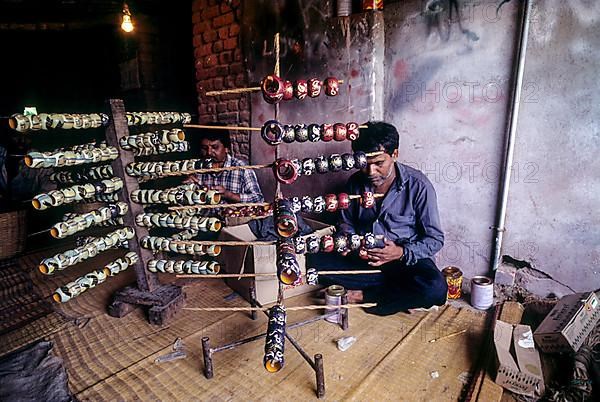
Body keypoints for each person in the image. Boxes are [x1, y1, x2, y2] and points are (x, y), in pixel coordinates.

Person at [308, 121, 447, 316]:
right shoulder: (355, 183)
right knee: (313, 262)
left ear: (395, 155)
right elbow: (346, 222)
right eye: (364, 164)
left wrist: (399, 252)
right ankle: (399, 293)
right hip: (364, 259)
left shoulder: (419, 186)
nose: (370, 172)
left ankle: (361, 295)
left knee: (436, 289)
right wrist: (350, 241)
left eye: (379, 163)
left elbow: (435, 239)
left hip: (404, 261)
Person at [186, 124, 264, 204]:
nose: (209, 152)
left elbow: (258, 199)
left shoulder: (242, 169)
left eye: (215, 147)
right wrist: (188, 188)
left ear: (227, 148)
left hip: (231, 216)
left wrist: (230, 195)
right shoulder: (197, 168)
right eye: (204, 148)